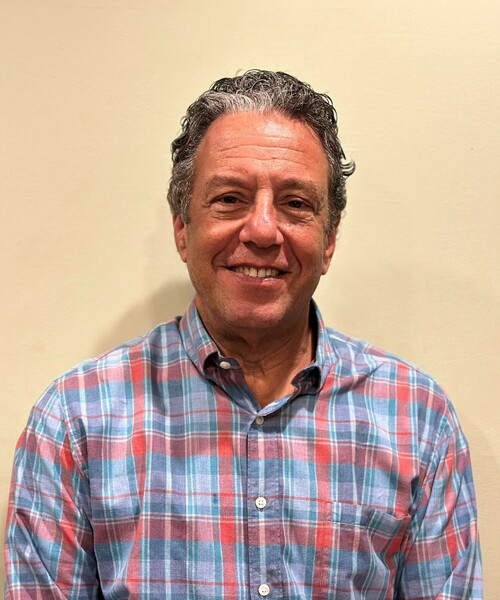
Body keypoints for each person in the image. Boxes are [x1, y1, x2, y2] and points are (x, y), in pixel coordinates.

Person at [5, 70, 482, 599]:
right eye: (230, 198)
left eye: (295, 203)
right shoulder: (75, 421)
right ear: (182, 229)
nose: (261, 230)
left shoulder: (417, 419)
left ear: (329, 240)